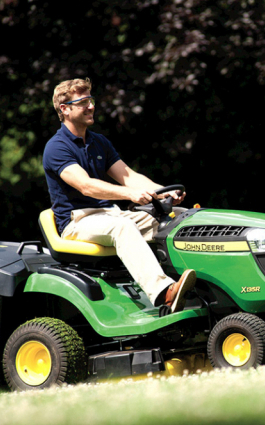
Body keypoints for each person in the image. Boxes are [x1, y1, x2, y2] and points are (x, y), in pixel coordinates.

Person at [43, 78, 196, 312]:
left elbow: (129, 177)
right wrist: (130, 194)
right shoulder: (56, 147)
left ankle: (203, 286)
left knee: (181, 218)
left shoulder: (98, 142)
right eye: (83, 102)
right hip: (77, 222)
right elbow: (86, 186)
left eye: (91, 100)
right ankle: (165, 293)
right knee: (122, 228)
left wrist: (163, 193)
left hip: (110, 215)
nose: (91, 106)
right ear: (65, 109)